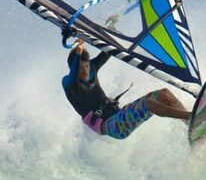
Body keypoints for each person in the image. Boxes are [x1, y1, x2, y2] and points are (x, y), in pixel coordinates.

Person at [62, 39, 190, 139]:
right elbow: (72, 75)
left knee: (164, 94)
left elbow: (109, 50)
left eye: (86, 66)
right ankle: (190, 116)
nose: (85, 71)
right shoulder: (69, 84)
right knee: (147, 104)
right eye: (80, 68)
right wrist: (78, 52)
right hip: (112, 126)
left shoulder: (92, 68)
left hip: (120, 114)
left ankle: (190, 125)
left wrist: (110, 27)